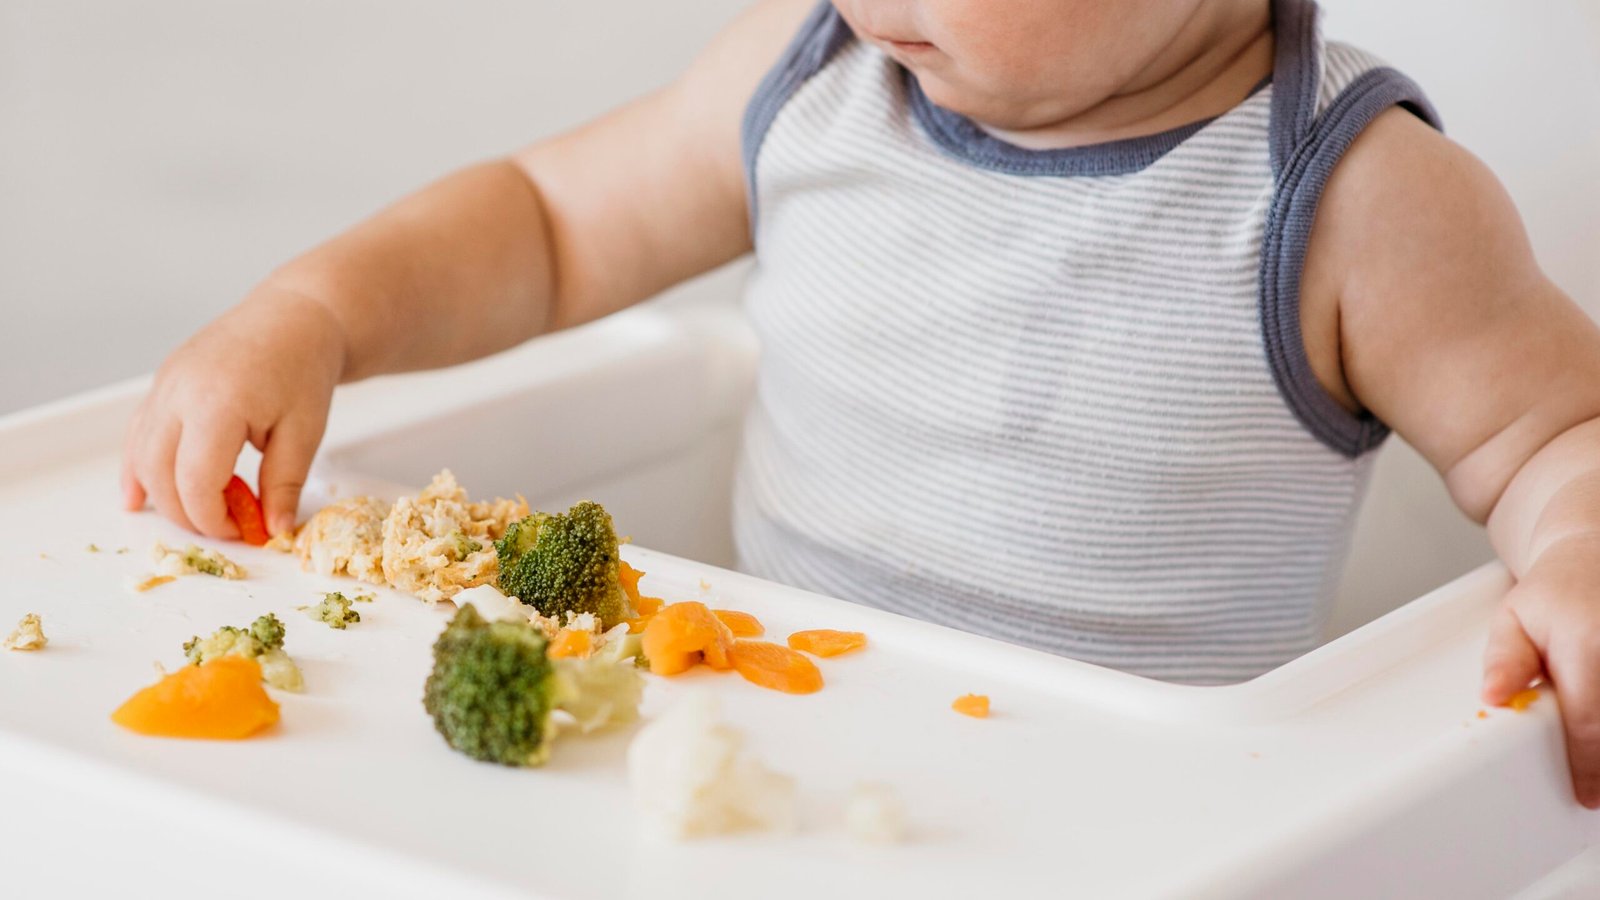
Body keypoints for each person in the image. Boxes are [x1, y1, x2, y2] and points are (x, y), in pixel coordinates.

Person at [122, 0, 1600, 805]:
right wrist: (318, 315)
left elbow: (1556, 436)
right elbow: (546, 223)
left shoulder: (1355, 201)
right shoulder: (803, 71)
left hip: (1124, 826)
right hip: (761, 754)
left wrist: (1580, 557)